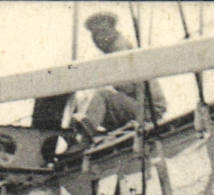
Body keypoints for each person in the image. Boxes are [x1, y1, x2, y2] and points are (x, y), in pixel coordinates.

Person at [68, 11, 165, 141]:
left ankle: (83, 138)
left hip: (149, 111)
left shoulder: (120, 48)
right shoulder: (114, 49)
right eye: (94, 35)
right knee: (93, 97)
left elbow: (128, 86)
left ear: (112, 30)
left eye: (102, 32)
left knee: (103, 95)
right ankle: (85, 133)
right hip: (140, 107)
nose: (98, 39)